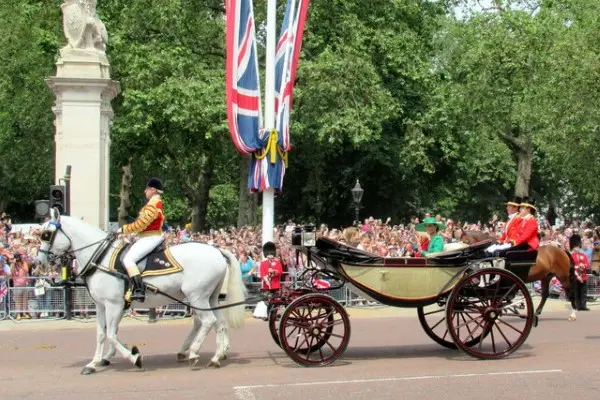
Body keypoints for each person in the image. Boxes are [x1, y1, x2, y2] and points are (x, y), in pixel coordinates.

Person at [116, 178, 165, 302]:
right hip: (146, 237)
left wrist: (123, 229)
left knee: (128, 259)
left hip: (150, 237)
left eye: (147, 189)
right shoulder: (154, 203)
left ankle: (138, 289)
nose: (145, 191)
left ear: (153, 190)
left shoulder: (153, 204)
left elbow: (141, 224)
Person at [569, 234, 590, 311]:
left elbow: (587, 264)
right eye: (575, 247)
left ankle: (583, 306)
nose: (577, 248)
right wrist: (578, 275)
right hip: (576, 277)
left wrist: (583, 265)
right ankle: (577, 306)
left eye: (578, 247)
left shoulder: (583, 255)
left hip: (583, 276)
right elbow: (571, 267)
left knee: (583, 292)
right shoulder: (571, 256)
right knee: (576, 292)